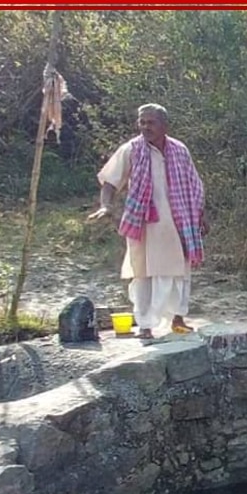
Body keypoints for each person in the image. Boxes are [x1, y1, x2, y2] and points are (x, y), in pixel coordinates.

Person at [90, 103, 205, 341]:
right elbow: (110, 182)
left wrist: (200, 216)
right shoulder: (131, 150)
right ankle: (145, 325)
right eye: (141, 122)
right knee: (143, 275)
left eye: (150, 122)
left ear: (164, 126)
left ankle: (178, 319)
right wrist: (105, 205)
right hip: (145, 224)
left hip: (179, 223)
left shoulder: (180, 150)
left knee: (179, 272)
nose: (144, 127)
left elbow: (194, 185)